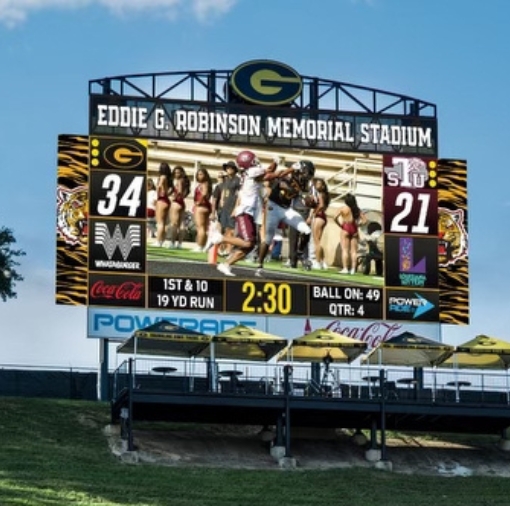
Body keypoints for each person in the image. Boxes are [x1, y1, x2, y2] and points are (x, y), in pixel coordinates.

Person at [207, 150, 278, 277]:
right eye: (253, 159)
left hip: (249, 212)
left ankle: (226, 264)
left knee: (249, 246)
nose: (256, 161)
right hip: (245, 211)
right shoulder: (252, 172)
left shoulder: (249, 173)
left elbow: (269, 171)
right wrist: (290, 170)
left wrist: (275, 162)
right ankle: (220, 238)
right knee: (248, 242)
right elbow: (271, 174)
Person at [255, 160, 316, 276]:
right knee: (268, 239)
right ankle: (260, 264)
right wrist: (291, 172)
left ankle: (299, 253)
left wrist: (309, 201)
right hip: (273, 207)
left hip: (286, 209)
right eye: (306, 172)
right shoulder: (287, 175)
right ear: (299, 170)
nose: (307, 176)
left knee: (306, 230)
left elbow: (304, 197)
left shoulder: (303, 184)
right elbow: (280, 183)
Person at [334, 193, 367, 274]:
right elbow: (365, 220)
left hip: (345, 228)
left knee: (345, 250)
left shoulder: (343, 208)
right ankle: (353, 269)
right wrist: (359, 225)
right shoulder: (357, 209)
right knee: (354, 251)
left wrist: (340, 225)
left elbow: (334, 217)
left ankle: (345, 268)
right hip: (354, 229)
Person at [217, 161, 241, 257]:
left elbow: (239, 195)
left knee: (231, 229)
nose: (229, 169)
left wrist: (236, 207)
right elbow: (224, 190)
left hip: (232, 206)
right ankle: (223, 248)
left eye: (231, 168)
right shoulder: (227, 180)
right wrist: (222, 200)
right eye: (227, 168)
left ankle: (229, 249)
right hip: (226, 206)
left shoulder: (237, 180)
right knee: (224, 228)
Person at [168, 165, 190, 249]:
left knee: (174, 224)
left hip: (177, 202)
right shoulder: (184, 181)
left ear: (181, 173)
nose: (176, 174)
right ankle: (180, 244)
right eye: (175, 172)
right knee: (181, 224)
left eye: (178, 172)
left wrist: (174, 197)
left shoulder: (179, 181)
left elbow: (179, 191)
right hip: (182, 202)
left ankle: (172, 243)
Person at [310, 178, 330, 270]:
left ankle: (317, 262)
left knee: (316, 241)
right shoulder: (325, 194)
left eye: (319, 184)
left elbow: (321, 205)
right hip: (323, 217)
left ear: (322, 186)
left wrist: (314, 212)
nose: (316, 185)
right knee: (318, 241)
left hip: (319, 216)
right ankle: (322, 262)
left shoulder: (321, 194)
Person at [192, 167, 213, 252]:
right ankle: (202, 245)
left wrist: (199, 202)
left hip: (201, 207)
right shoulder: (205, 184)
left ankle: (200, 245)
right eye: (198, 174)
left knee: (200, 228)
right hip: (205, 207)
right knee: (202, 227)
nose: (199, 176)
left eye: (201, 174)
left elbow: (204, 194)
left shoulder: (204, 184)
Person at [155, 162, 172, 247]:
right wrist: (166, 193)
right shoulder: (168, 178)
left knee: (160, 223)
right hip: (166, 200)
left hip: (161, 199)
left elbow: (159, 186)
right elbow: (171, 189)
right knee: (164, 223)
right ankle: (162, 240)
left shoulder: (162, 177)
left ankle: (158, 241)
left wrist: (157, 195)